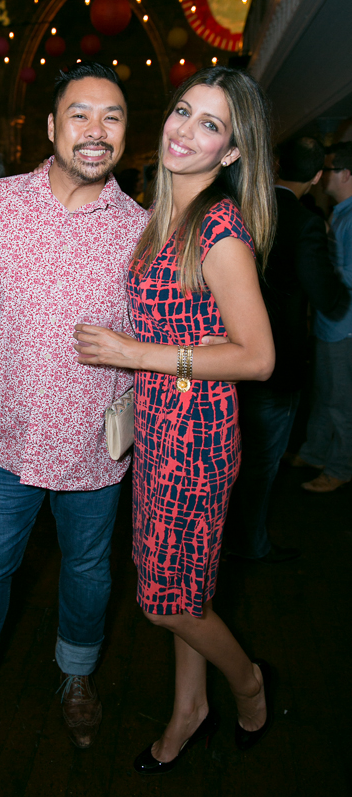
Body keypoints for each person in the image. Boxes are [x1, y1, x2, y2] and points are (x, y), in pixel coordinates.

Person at [0, 61, 148, 767]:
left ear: (125, 133)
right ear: (51, 126)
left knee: (89, 571)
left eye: (111, 116)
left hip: (93, 447)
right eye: (80, 114)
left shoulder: (141, 229)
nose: (96, 130)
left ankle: (76, 675)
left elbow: (164, 341)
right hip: (3, 443)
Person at [73, 67, 277, 773]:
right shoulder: (163, 218)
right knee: (183, 589)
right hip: (161, 429)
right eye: (183, 111)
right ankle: (189, 709)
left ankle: (247, 682)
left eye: (209, 124)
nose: (184, 131)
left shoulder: (218, 230)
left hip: (197, 438)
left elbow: (258, 358)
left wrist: (137, 353)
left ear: (232, 151)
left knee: (164, 602)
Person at [224, 137, 349, 562]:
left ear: (275, 165)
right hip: (276, 362)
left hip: (226, 355)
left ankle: (219, 543)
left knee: (228, 459)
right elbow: (327, 297)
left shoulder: (240, 209)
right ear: (316, 176)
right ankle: (251, 547)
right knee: (261, 464)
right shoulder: (305, 222)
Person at [297, 141, 352, 492]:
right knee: (324, 395)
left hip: (344, 327)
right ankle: (315, 452)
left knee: (340, 402)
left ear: (346, 174)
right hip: (331, 323)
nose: (320, 176)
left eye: (328, 169)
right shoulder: (341, 212)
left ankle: (341, 467)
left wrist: (317, 269)